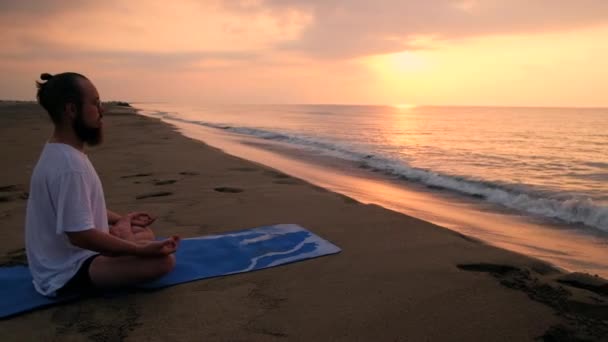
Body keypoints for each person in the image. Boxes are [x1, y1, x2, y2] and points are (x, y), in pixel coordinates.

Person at [25, 72, 179, 297]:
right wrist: (138, 250)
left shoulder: (61, 151)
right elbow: (80, 236)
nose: (102, 110)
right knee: (163, 262)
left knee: (144, 232)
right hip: (65, 271)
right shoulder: (70, 166)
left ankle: (124, 231)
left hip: (68, 253)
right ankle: (125, 238)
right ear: (71, 110)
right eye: (95, 103)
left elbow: (77, 205)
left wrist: (121, 219)